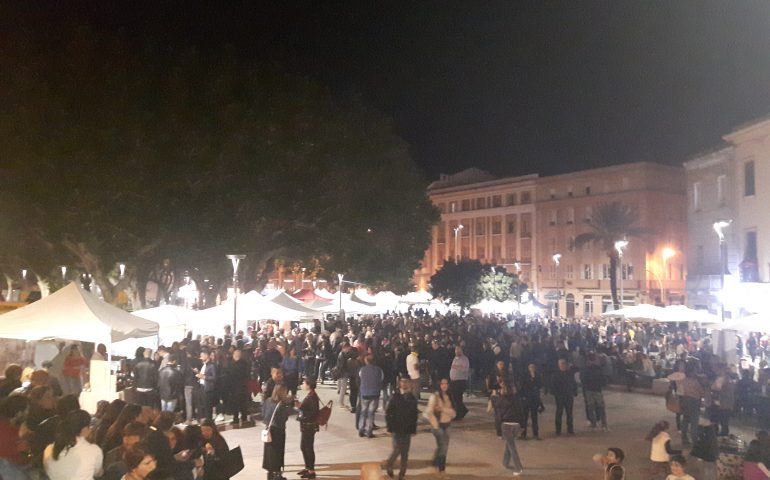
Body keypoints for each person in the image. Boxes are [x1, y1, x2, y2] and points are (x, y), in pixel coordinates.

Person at [43, 409, 103, 480]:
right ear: (84, 429)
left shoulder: (49, 449)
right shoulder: (94, 450)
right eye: (89, 426)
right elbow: (98, 473)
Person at [385, 377, 418, 480]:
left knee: (405, 453)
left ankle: (402, 474)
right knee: (397, 449)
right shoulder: (395, 396)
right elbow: (388, 412)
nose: (404, 384)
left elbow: (414, 415)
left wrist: (413, 429)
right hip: (396, 428)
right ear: (400, 383)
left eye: (406, 382)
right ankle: (389, 464)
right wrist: (389, 427)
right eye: (403, 381)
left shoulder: (412, 398)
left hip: (407, 429)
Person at [491, 380, 526, 475]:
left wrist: (498, 432)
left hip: (506, 425)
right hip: (516, 425)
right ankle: (505, 462)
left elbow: (497, 414)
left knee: (511, 446)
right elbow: (522, 413)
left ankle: (518, 467)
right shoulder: (517, 399)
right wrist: (522, 426)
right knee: (509, 444)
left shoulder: (501, 399)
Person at [424, 378, 456, 474]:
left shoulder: (449, 396)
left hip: (447, 424)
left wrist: (442, 409)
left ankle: (435, 463)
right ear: (439, 385)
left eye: (446, 383)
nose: (444, 385)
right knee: (443, 447)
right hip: (438, 426)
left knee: (442, 447)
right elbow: (427, 412)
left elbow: (454, 413)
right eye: (442, 384)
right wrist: (435, 425)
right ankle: (442, 469)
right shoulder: (435, 397)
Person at [262, 385, 293, 480]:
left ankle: (270, 474)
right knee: (278, 452)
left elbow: (263, 413)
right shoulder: (281, 405)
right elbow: (284, 418)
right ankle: (277, 474)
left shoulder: (267, 401)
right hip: (278, 431)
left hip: (269, 429)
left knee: (269, 452)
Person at [296, 378, 320, 479]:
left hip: (308, 426)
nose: (302, 385)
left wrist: (299, 407)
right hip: (307, 426)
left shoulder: (311, 397)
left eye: (304, 383)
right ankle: (308, 467)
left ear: (309, 385)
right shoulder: (311, 395)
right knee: (304, 447)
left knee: (308, 448)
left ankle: (311, 471)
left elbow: (312, 412)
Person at [358, 355, 383, 438]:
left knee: (363, 412)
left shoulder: (362, 370)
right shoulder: (379, 370)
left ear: (366, 361)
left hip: (364, 392)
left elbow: (360, 377)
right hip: (375, 393)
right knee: (371, 413)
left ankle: (361, 429)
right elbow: (381, 379)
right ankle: (369, 431)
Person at [551, 358, 577, 436]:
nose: (562, 366)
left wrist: (574, 392)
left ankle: (570, 429)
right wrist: (556, 394)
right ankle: (558, 430)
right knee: (559, 412)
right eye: (561, 364)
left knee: (569, 413)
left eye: (563, 364)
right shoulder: (555, 375)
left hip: (568, 396)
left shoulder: (570, 374)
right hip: (560, 397)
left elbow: (573, 383)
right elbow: (553, 386)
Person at [226, 349, 251, 426]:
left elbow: (230, 374)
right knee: (242, 403)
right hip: (241, 386)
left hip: (237, 386)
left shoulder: (234, 364)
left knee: (237, 403)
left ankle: (237, 418)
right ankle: (243, 418)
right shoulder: (244, 363)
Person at [520, 363, 542, 440]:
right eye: (530, 367)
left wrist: (534, 378)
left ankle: (535, 434)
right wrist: (522, 397)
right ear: (528, 368)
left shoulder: (538, 376)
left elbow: (540, 385)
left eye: (533, 367)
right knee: (524, 417)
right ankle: (523, 434)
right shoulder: (525, 376)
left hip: (534, 399)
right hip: (526, 398)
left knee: (534, 418)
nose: (532, 369)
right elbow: (523, 386)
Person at [449, 346, 470, 420]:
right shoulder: (455, 358)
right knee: (454, 398)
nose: (457, 351)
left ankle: (459, 414)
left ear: (462, 351)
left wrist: (457, 367)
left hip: (460, 381)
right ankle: (463, 410)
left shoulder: (465, 359)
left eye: (458, 350)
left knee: (458, 398)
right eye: (456, 350)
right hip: (453, 381)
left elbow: (465, 369)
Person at [197, 349, 217, 421]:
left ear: (207, 356)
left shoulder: (212, 365)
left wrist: (204, 377)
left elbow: (214, 377)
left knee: (208, 406)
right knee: (203, 405)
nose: (200, 357)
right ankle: (205, 420)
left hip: (208, 388)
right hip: (202, 387)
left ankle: (209, 422)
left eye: (202, 356)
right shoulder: (204, 365)